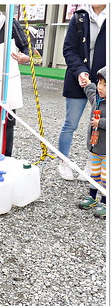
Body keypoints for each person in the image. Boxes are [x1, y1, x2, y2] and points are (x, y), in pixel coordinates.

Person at [57, 4, 107, 181]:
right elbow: (69, 49)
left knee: (98, 124)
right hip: (78, 78)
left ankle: (91, 165)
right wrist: (80, 71)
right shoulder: (79, 16)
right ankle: (63, 161)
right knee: (70, 123)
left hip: (104, 83)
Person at [0, 10, 30, 157]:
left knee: (7, 119)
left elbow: (26, 46)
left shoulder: (9, 23)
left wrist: (25, 57)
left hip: (6, 80)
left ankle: (6, 155)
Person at [77, 66, 106, 219]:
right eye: (100, 83)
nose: (100, 88)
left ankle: (106, 202)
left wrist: (100, 122)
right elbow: (90, 92)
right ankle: (92, 197)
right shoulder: (98, 99)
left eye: (105, 85)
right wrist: (88, 82)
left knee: (106, 176)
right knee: (94, 173)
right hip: (95, 148)